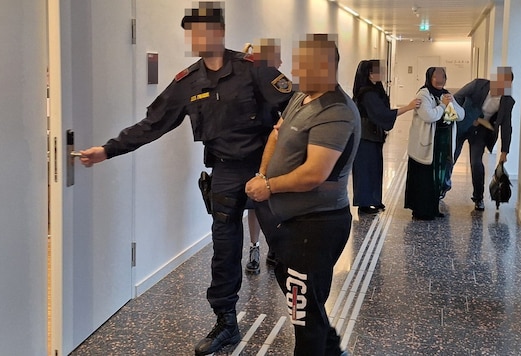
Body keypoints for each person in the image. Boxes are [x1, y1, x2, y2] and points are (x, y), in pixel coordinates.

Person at [78, 3, 293, 355]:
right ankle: (226, 322)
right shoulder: (188, 82)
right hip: (224, 172)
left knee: (285, 246)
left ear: (219, 33)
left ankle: (307, 321)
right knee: (223, 250)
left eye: (202, 31)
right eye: (191, 32)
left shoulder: (254, 69)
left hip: (265, 169)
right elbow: (153, 124)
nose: (195, 38)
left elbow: (295, 106)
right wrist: (108, 150)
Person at [245, 34, 359, 356]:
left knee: (304, 312)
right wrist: (263, 174)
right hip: (290, 224)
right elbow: (276, 133)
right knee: (304, 305)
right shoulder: (301, 97)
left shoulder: (337, 110)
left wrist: (268, 188)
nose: (296, 71)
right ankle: (332, 349)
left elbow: (314, 174)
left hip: (317, 226)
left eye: (303, 65)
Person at [351, 59, 420, 214]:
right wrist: (408, 107)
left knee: (374, 168)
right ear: (369, 74)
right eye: (378, 71)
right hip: (365, 137)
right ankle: (364, 202)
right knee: (366, 170)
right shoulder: (367, 94)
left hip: (372, 136)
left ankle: (373, 200)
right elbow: (382, 114)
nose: (382, 74)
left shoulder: (375, 90)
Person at [243, 38, 284, 274]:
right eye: (277, 57)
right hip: (252, 152)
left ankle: (273, 247)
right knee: (255, 203)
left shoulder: (277, 83)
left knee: (272, 203)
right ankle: (255, 247)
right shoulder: (249, 82)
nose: (281, 61)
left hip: (274, 151)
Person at [452, 66, 515, 211]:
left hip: (481, 131)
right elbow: (457, 97)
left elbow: (507, 127)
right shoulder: (478, 85)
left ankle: (478, 198)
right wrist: (462, 115)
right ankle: (442, 187)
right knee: (451, 157)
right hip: (463, 123)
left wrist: (504, 151)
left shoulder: (507, 101)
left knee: (476, 163)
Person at [405, 67, 464, 220]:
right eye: (436, 77)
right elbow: (429, 116)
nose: (440, 80)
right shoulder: (423, 94)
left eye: (443, 77)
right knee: (424, 179)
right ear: (429, 78)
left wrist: (451, 103)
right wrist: (443, 105)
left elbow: (460, 115)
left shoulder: (446, 94)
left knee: (437, 178)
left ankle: (433, 208)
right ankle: (421, 211)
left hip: (442, 144)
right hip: (426, 144)